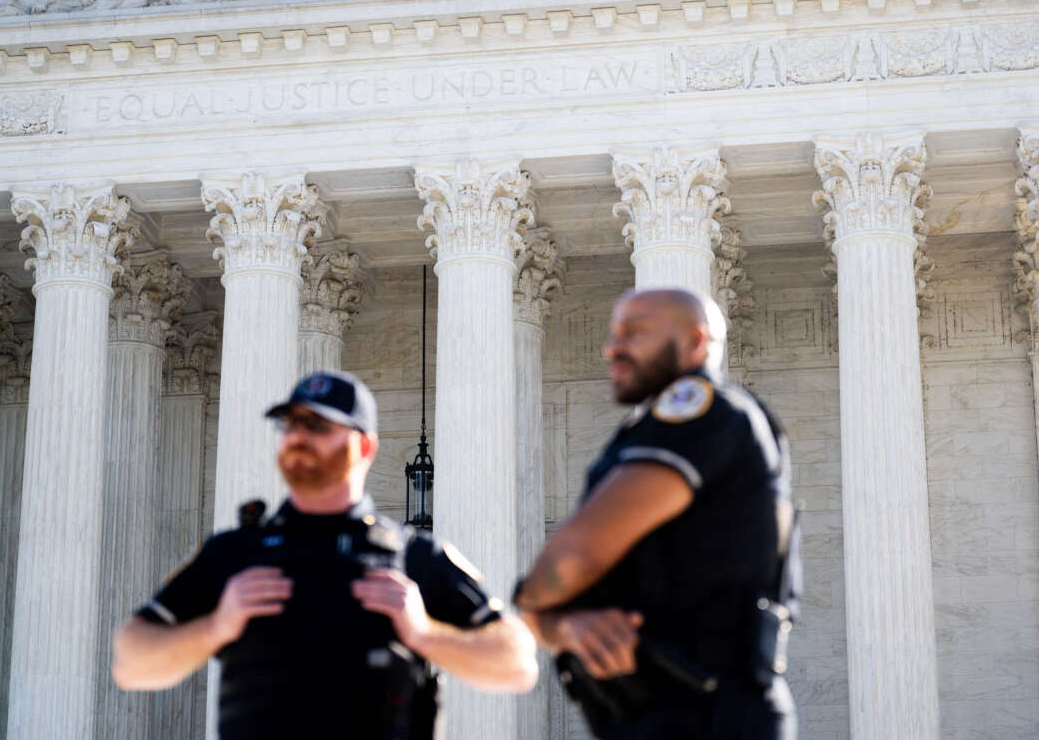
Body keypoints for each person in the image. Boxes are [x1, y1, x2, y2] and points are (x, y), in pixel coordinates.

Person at [112, 371, 538, 738]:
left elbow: (517, 664)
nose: (298, 436)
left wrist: (423, 634)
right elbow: (131, 663)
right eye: (291, 424)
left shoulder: (412, 559)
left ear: (365, 447)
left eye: (318, 425)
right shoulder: (236, 555)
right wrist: (216, 626)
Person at [514, 288, 800, 740]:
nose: (613, 347)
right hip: (656, 712)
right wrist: (563, 625)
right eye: (613, 333)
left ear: (695, 342)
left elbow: (574, 555)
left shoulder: (704, 414)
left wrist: (535, 606)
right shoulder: (642, 432)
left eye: (635, 332)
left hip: (706, 713)